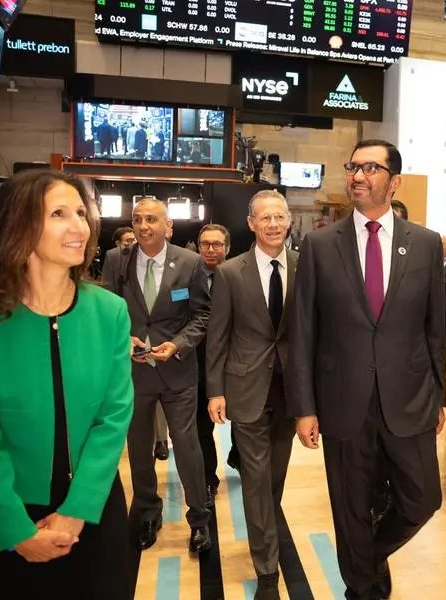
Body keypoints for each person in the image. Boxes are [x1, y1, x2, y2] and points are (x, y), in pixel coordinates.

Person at [0, 169, 133, 598]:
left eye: (81, 213)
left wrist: (77, 511)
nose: (78, 226)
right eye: (59, 214)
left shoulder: (110, 312)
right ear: (18, 225)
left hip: (92, 510)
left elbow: (113, 418)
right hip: (4, 516)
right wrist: (15, 531)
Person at [287, 139, 446, 600]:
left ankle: (367, 558)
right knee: (351, 508)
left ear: (394, 182)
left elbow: (434, 329)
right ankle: (361, 587)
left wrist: (437, 395)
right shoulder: (320, 245)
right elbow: (303, 331)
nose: (357, 176)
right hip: (342, 400)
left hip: (409, 398)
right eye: (353, 167)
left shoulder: (426, 244)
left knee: (422, 499)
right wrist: (304, 407)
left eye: (371, 168)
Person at [102, 198, 212, 554]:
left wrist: (177, 344)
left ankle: (199, 519)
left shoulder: (190, 262)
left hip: (177, 371)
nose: (143, 225)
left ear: (168, 226)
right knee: (138, 448)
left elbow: (202, 315)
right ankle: (148, 513)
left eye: (151, 219)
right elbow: (107, 311)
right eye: (137, 219)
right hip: (134, 372)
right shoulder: (116, 259)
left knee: (188, 447)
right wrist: (123, 337)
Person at [207, 191, 297, 600]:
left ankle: (266, 533)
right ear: (251, 223)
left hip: (291, 393)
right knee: (257, 481)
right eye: (265, 218)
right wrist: (215, 390)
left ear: (289, 221)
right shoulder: (230, 272)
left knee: (273, 480)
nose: (273, 224)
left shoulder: (304, 267)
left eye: (279, 217)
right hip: (246, 390)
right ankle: (267, 573)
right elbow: (217, 336)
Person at [195, 223, 238, 495]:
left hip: (236, 363)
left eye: (217, 244)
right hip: (200, 365)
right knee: (202, 427)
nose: (211, 249)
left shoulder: (239, 275)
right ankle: (208, 479)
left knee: (242, 422)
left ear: (227, 248)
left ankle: (238, 457)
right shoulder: (188, 276)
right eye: (205, 244)